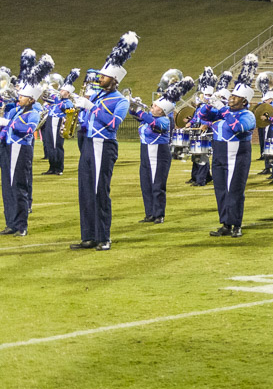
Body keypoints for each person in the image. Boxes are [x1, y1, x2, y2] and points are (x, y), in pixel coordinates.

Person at [69, 32, 138, 250]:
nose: (100, 78)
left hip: (103, 145)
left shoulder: (120, 101)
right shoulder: (97, 96)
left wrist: (90, 107)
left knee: (100, 191)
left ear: (115, 79)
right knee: (86, 191)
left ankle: (104, 237)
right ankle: (88, 236)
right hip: (89, 144)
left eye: (104, 76)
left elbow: (112, 124)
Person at [201, 55, 259, 238]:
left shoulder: (248, 115)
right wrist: (209, 102)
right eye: (232, 95)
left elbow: (238, 128)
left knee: (234, 190)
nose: (231, 98)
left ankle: (236, 224)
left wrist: (223, 109)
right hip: (219, 153)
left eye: (235, 97)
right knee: (220, 189)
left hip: (238, 155)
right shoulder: (222, 111)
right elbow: (203, 116)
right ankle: (225, 223)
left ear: (244, 101)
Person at [2, 51, 52, 237]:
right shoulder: (18, 110)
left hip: (21, 151)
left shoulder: (32, 113)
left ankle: (21, 225)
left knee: (19, 188)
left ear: (31, 99)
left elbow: (28, 129)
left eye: (22, 96)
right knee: (9, 187)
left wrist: (7, 123)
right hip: (10, 149)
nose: (19, 98)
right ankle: (11, 223)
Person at [134, 75, 194, 224]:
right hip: (146, 153)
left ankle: (159, 214)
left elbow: (155, 125)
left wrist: (140, 112)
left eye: (155, 106)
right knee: (146, 184)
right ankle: (149, 213)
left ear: (162, 111)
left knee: (157, 184)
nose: (151, 107)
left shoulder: (164, 120)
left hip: (159, 154)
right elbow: (135, 114)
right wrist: (133, 106)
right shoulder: (150, 116)